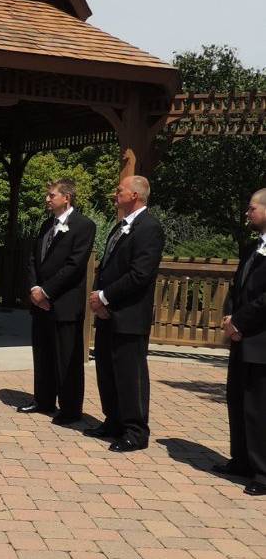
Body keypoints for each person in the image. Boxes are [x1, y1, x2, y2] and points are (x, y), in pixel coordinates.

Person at [87, 175, 164, 452]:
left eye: (119, 190)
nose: (114, 193)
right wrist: (98, 299)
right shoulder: (120, 226)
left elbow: (140, 274)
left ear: (136, 195)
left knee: (131, 375)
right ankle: (114, 420)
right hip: (108, 313)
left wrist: (106, 296)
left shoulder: (149, 228)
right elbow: (107, 266)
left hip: (129, 316)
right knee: (107, 369)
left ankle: (135, 430)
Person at [20, 179, 96, 425]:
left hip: (64, 302)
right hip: (39, 301)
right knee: (42, 353)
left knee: (67, 358)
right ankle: (43, 399)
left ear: (67, 197)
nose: (47, 199)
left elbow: (75, 265)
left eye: (51, 195)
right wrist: (34, 289)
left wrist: (47, 292)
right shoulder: (46, 225)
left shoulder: (84, 226)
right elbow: (33, 259)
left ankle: (71, 409)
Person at [216, 189, 266, 496]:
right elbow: (237, 287)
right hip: (241, 337)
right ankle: (241, 459)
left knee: (259, 407)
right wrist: (229, 316)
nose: (247, 213)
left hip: (261, 339)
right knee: (236, 400)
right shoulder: (251, 248)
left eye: (251, 208)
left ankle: (262, 471)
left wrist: (240, 321)